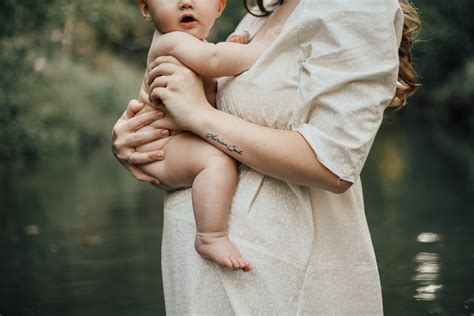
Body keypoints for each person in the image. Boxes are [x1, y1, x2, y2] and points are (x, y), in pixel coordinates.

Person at [112, 0, 420, 313]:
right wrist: (136, 139)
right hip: (200, 278)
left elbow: (333, 167)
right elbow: (213, 127)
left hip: (281, 279)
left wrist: (198, 115)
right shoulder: (264, 10)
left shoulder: (355, 6)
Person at [130, 0, 279, 272]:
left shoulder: (195, 46)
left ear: (220, 7)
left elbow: (213, 75)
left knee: (216, 155)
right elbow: (215, 61)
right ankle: (210, 236)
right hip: (162, 146)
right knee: (216, 160)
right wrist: (264, 50)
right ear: (146, 9)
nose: (185, 2)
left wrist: (233, 49)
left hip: (177, 142)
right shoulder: (169, 41)